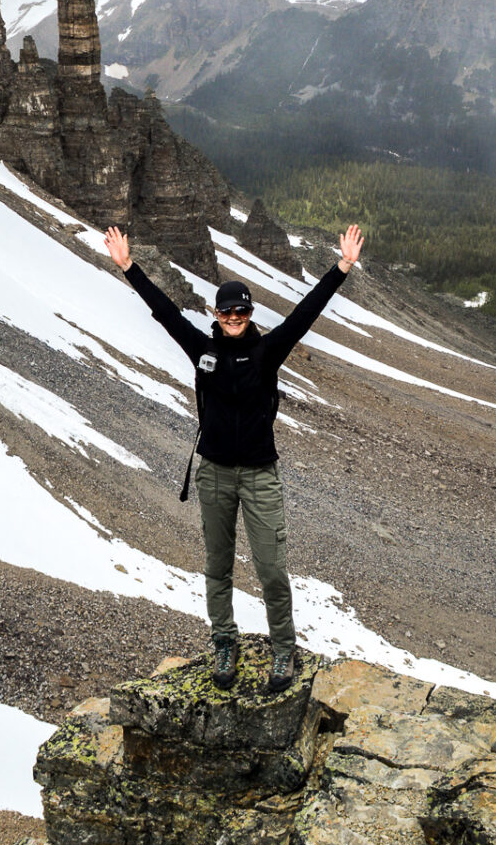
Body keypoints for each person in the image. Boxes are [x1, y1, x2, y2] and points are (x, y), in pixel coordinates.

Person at [102, 222, 365, 694]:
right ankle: (224, 642)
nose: (235, 317)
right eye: (227, 310)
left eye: (241, 310)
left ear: (250, 312)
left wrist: (341, 266)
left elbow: (306, 314)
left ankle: (284, 650)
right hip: (215, 474)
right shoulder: (202, 350)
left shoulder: (267, 351)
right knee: (217, 565)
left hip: (261, 475)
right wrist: (129, 267)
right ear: (216, 313)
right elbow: (164, 312)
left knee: (270, 569)